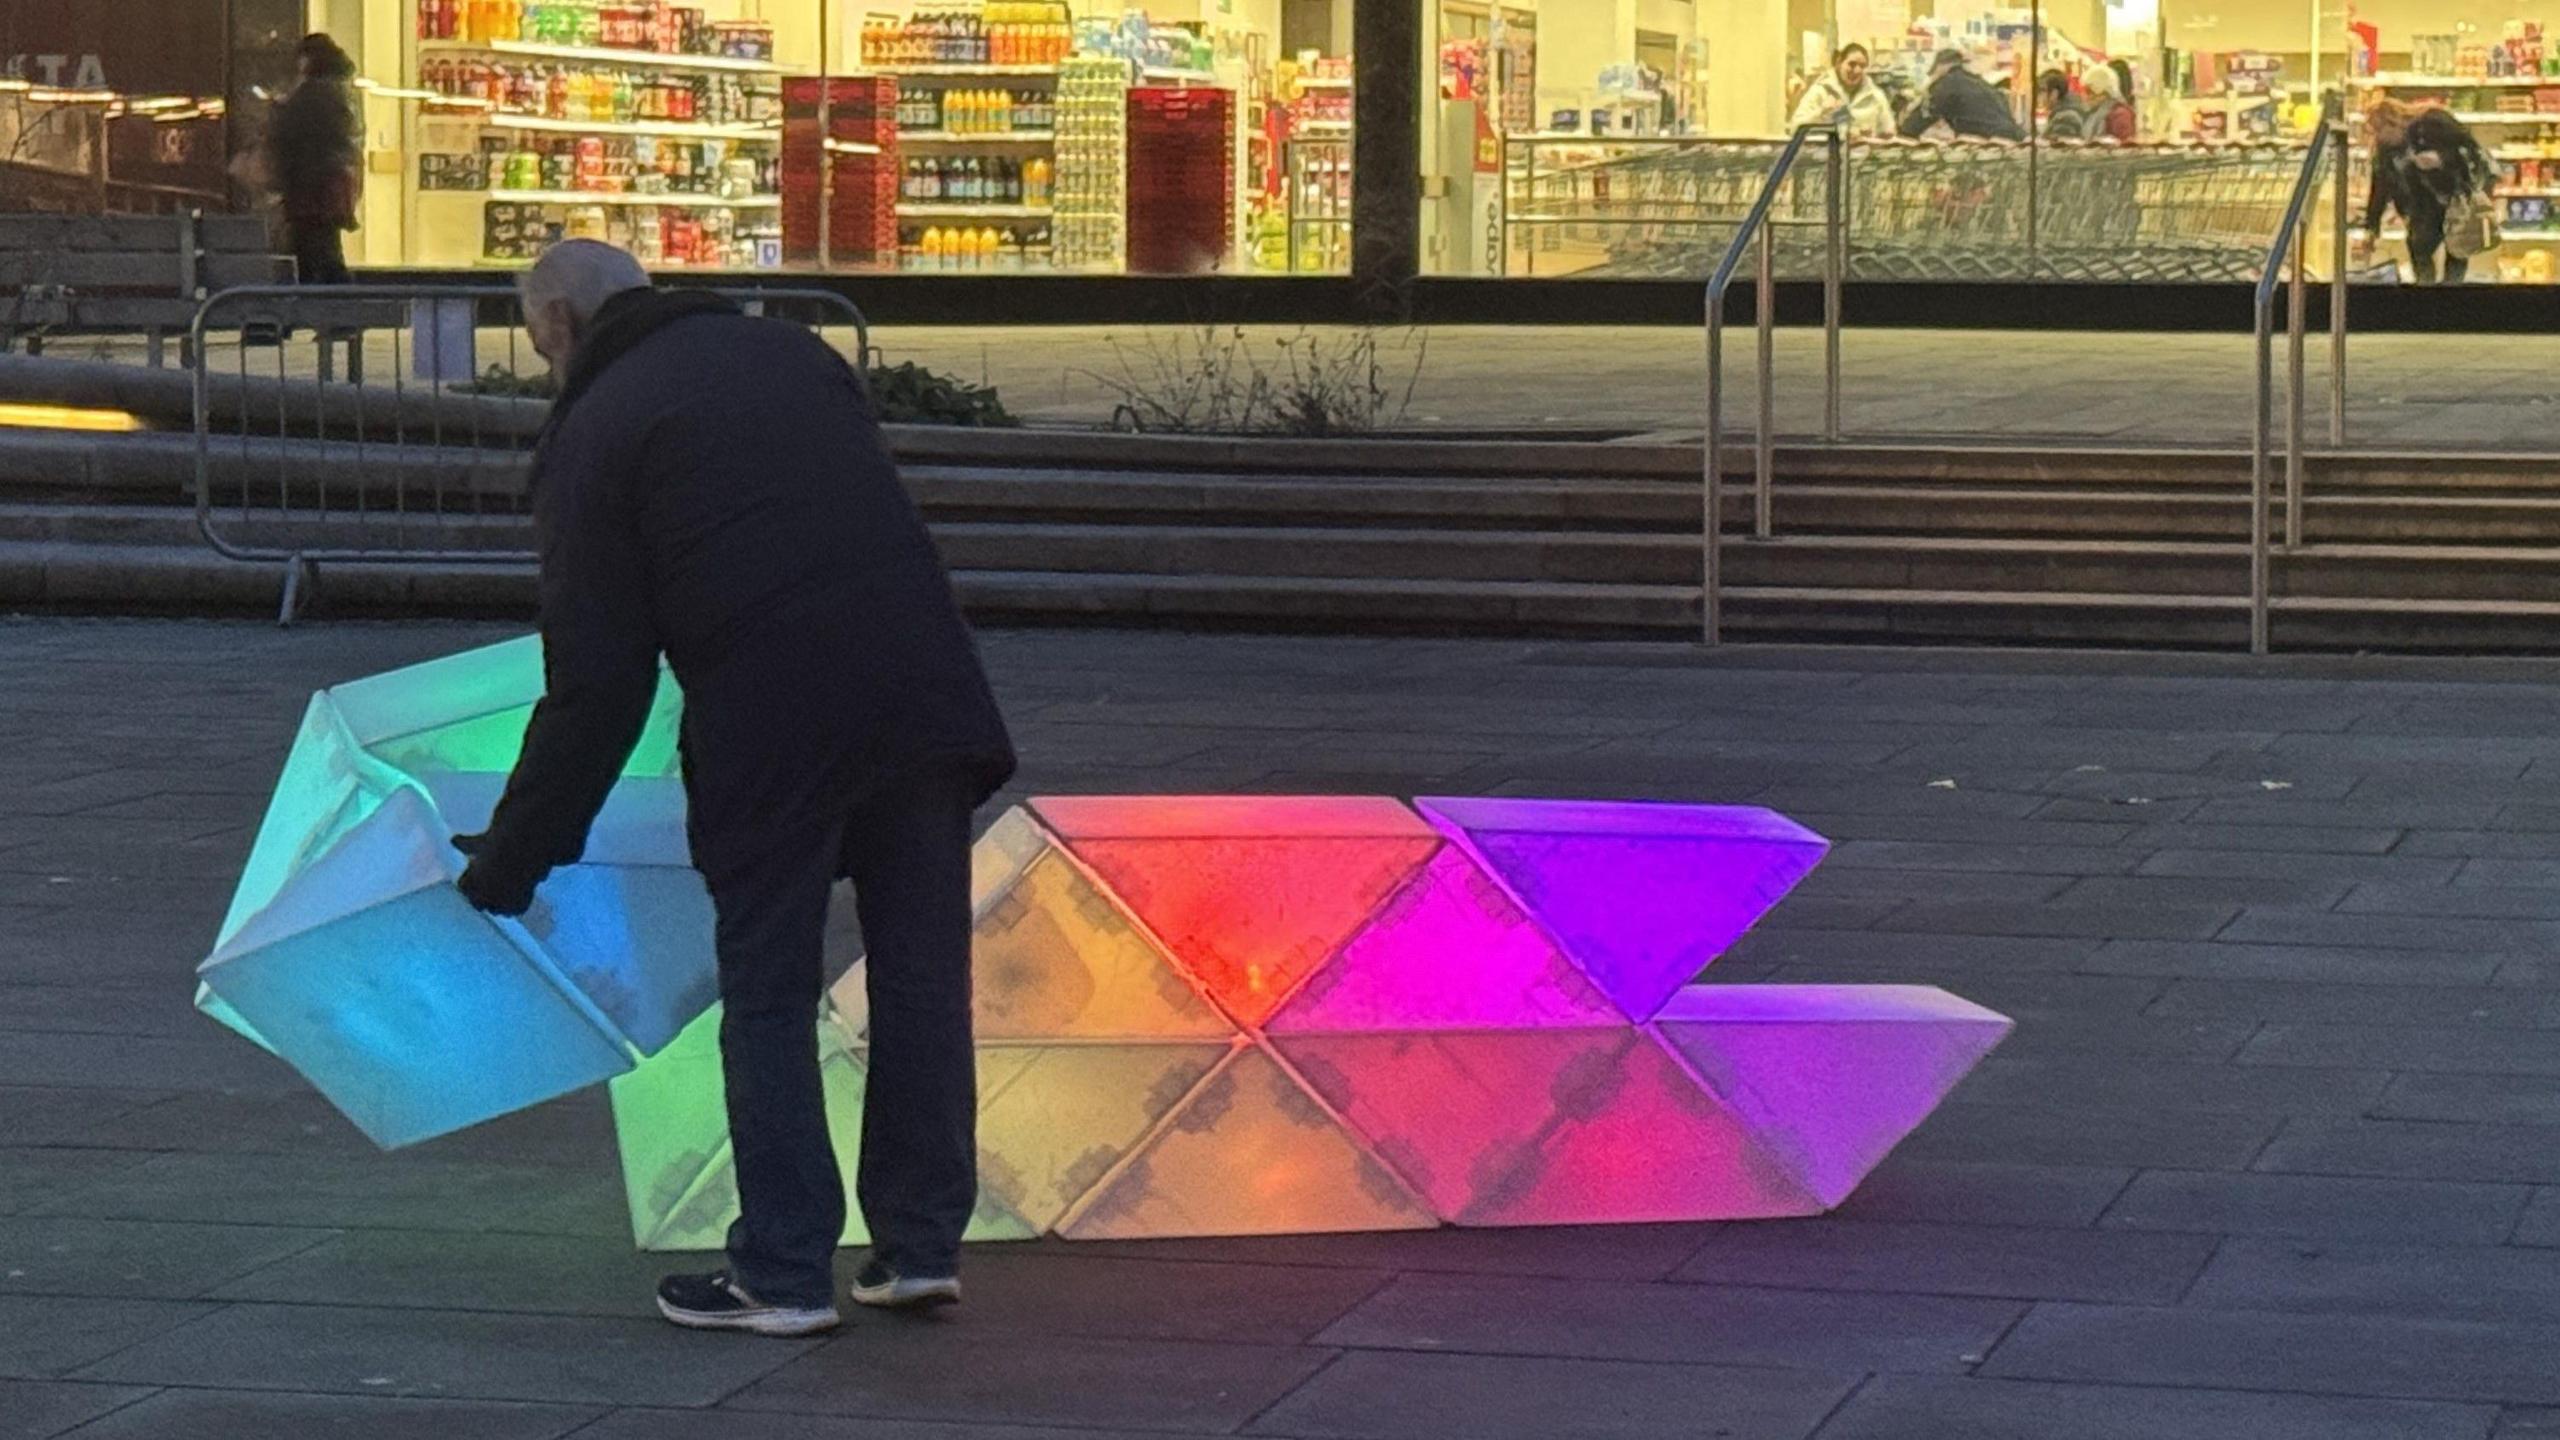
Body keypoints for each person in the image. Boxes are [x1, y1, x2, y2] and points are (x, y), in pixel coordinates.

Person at [452, 240, 1016, 1337]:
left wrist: (513, 857)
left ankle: (784, 1270)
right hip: (923, 695)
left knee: (768, 990)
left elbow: (598, 682)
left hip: (775, 727)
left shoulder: (595, 429)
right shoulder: (793, 355)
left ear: (560, 324)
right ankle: (916, 1247)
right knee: (918, 976)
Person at [263, 34, 363, 284]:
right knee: (320, 249)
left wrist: (279, 111)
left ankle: (330, 312)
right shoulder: (340, 91)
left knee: (313, 252)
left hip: (310, 190)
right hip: (326, 189)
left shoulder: (313, 94)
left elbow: (291, 134)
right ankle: (332, 314)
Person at [2360, 99, 2493, 284]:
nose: (2379, 139)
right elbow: (2380, 187)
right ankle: (2427, 295)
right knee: (2419, 249)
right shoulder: (2385, 151)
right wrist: (2372, 227)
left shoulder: (2433, 122)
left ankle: (2451, 295)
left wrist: (2441, 159)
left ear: (2393, 122)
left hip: (2454, 202)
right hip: (2420, 210)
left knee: (2456, 253)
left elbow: (2470, 150)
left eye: (2380, 132)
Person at [1899, 48, 2026, 142]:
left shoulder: (1945, 84)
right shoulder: (1980, 83)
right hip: (2014, 141)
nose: (1933, 76)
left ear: (1942, 66)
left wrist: (1902, 136)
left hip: (1986, 145)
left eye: (1934, 72)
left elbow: (1918, 121)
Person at [1790, 43, 1898, 138]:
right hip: (1827, 158)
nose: (1857, 70)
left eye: (1862, 66)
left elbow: (1889, 131)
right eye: (1852, 64)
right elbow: (1795, 129)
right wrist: (1821, 113)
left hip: (1865, 159)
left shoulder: (1876, 95)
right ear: (1839, 63)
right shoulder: (1820, 91)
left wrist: (1875, 135)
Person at [2076, 63, 2136, 142]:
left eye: (2089, 91)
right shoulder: (2092, 113)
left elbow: (2125, 148)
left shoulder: (2120, 115)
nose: (2085, 96)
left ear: (2103, 92)